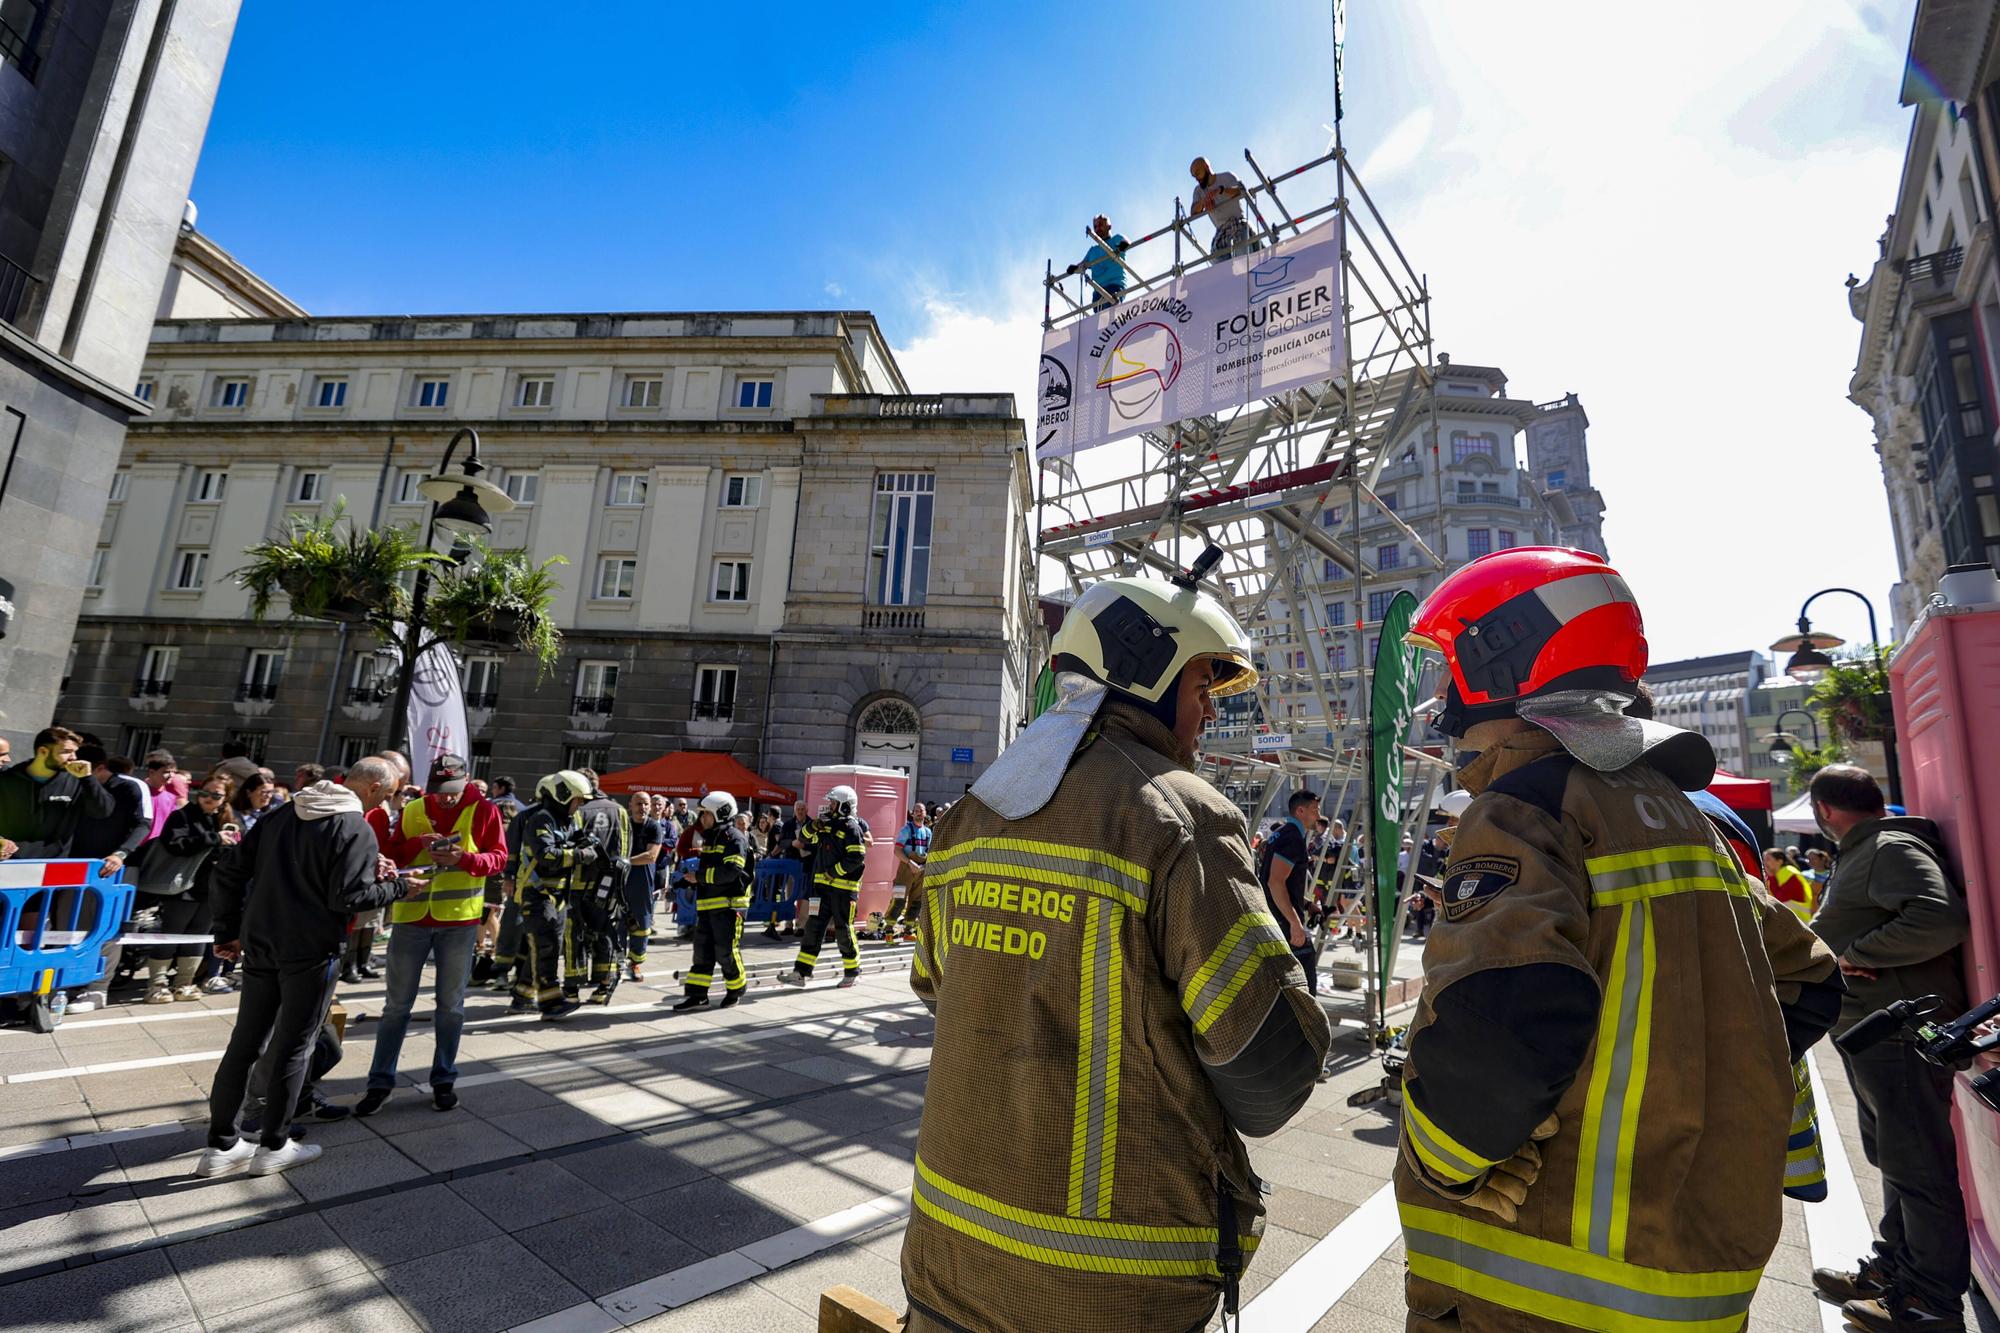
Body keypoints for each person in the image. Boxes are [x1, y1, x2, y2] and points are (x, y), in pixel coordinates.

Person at [1391, 546, 1841, 1331]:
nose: (1439, 703)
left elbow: (1506, 1019)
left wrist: (1445, 1161)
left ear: (1504, 663)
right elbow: (1809, 979)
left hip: (1540, 1279)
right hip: (1695, 1276)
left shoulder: (1522, 808)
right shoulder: (1682, 816)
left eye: (1447, 672)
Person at [901, 550, 1330, 1332]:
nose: (1207, 712)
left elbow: (938, 986)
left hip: (944, 1265)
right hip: (1106, 1291)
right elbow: (1271, 1069)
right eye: (1203, 686)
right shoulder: (1175, 812)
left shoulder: (971, 814)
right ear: (1149, 670)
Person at [196, 760, 421, 1178]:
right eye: (388, 794)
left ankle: (221, 1144)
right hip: (312, 948)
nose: (387, 802)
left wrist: (227, 930)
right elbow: (350, 896)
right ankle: (274, 1145)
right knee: (293, 1047)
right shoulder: (353, 825)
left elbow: (228, 869)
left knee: (245, 1043)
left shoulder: (283, 812)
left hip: (262, 940)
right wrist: (401, 887)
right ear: (373, 788)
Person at [1807, 764, 1971, 1332]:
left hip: (1899, 1032)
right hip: (1878, 1032)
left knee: (1918, 1168)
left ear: (1824, 810)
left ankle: (1929, 1304)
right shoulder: (1866, 850)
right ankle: (1896, 1273)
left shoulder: (1886, 846)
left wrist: (1857, 953)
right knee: (1900, 1163)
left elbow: (1939, 918)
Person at [354, 754, 507, 1117]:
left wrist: (463, 860)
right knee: (395, 1008)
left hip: (459, 923)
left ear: (467, 780)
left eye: (452, 792)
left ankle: (443, 1080)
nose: (445, 798)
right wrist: (418, 845)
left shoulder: (484, 810)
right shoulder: (414, 808)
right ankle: (380, 1083)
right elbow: (392, 857)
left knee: (450, 1008)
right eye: (440, 791)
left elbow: (499, 859)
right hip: (411, 919)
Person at [143, 773, 240, 1003]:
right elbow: (176, 845)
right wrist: (213, 838)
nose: (208, 798)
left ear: (225, 798)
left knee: (198, 935)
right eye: (204, 792)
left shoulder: (226, 820)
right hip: (181, 887)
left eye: (216, 794)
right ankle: (157, 984)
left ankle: (184, 983)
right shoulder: (182, 816)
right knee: (171, 934)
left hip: (211, 889)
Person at [514, 770, 595, 1020]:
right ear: (563, 796)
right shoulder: (541, 820)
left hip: (557, 896)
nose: (580, 804)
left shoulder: (568, 820)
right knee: (546, 946)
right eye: (577, 799)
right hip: (538, 895)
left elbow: (580, 840)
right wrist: (580, 855)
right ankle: (550, 1003)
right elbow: (547, 856)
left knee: (543, 947)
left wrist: (590, 844)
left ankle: (522, 996)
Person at [779, 786, 868, 989]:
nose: (830, 806)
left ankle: (852, 972)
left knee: (843, 930)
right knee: (812, 928)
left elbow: (857, 858)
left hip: (843, 890)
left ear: (844, 806)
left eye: (834, 803)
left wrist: (833, 872)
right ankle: (800, 973)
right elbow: (803, 838)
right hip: (820, 890)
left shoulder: (852, 828)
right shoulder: (826, 826)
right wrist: (814, 825)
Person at [670, 791, 752, 1011]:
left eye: (705, 814)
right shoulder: (710, 837)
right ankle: (697, 995)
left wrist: (699, 877)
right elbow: (710, 871)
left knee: (726, 951)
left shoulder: (734, 838)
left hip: (728, 905)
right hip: (708, 905)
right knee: (702, 952)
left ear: (720, 813)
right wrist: (690, 881)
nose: (702, 819)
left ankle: (736, 990)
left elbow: (732, 871)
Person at [0, 725, 115, 858]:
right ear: (43, 751)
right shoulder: (8, 778)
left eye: (75, 752)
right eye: (66, 751)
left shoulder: (78, 781)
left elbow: (103, 811)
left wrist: (88, 779)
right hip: (8, 861)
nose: (73, 757)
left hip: (52, 865)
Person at [571, 769, 632, 1005]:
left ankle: (572, 989)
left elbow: (571, 846)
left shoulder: (577, 810)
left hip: (579, 884)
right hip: (608, 886)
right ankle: (604, 987)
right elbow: (625, 852)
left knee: (575, 936)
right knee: (606, 934)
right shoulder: (619, 810)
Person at [1260, 789, 1320, 994]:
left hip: (1276, 920)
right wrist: (1295, 923)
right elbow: (1275, 883)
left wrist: (1306, 904)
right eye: (1314, 809)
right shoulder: (1292, 837)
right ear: (1300, 811)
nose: (1318, 815)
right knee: (1305, 991)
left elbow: (1281, 883)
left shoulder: (1282, 834)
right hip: (1284, 925)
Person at [623, 792, 665, 981]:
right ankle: (614, 964)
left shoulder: (653, 826)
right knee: (616, 923)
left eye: (646, 804)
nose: (643, 808)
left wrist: (626, 861)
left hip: (642, 881)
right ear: (630, 805)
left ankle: (635, 964)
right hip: (621, 880)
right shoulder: (623, 824)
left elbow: (651, 855)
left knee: (641, 925)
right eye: (639, 803)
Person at [1190, 156, 1256, 255]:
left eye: (1198, 173)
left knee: (1242, 258)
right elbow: (1193, 212)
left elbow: (1242, 191)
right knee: (1216, 259)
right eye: (1194, 176)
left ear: (1206, 166)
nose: (1197, 178)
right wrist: (1204, 202)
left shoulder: (1227, 176)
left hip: (1238, 223)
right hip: (1221, 231)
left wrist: (1221, 190)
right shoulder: (1198, 191)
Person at [1063, 215, 1131, 308]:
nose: (1098, 228)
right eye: (1095, 226)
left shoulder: (1116, 239)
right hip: (1098, 291)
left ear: (1109, 227)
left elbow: (1126, 242)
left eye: (1101, 224)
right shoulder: (1092, 251)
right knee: (1100, 319)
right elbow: (1082, 265)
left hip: (1114, 285)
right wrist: (1073, 268)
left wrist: (1122, 245)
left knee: (1110, 312)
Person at [885, 804, 930, 941]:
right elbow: (897, 851)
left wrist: (923, 866)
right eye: (916, 811)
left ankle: (908, 931)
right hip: (906, 868)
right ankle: (888, 931)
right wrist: (910, 863)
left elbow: (929, 852)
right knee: (898, 899)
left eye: (921, 811)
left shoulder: (928, 832)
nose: (918, 813)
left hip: (921, 869)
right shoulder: (906, 830)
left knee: (916, 901)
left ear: (925, 813)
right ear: (912, 814)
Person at [1764, 847, 1816, 922]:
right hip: (1789, 918)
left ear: (1779, 861)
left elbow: (1781, 899)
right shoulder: (1771, 875)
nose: (1764, 862)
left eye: (1768, 859)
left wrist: (1772, 877)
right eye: (1764, 859)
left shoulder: (1789, 872)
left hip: (1799, 919)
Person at [143, 750, 181, 841]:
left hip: (156, 847)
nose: (171, 775)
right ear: (152, 772)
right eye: (166, 772)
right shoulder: (140, 792)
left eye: (174, 772)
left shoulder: (171, 798)